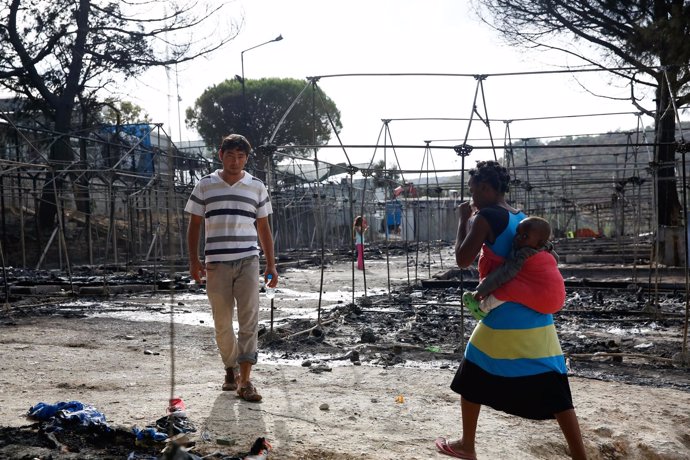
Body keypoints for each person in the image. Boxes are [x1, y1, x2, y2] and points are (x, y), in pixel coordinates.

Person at [435, 161, 586, 460]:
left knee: (474, 364)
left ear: (486, 188)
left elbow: (462, 258)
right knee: (554, 383)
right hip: (536, 314)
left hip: (506, 314)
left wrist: (463, 219)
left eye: (473, 190)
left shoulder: (486, 217)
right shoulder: (520, 216)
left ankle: (467, 445)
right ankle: (580, 455)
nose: (472, 197)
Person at [185, 133, 278, 403]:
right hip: (216, 263)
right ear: (220, 155)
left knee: (249, 319)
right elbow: (194, 225)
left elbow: (263, 227)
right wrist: (194, 261)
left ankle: (246, 381)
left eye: (241, 157)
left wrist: (271, 263)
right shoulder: (205, 185)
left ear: (246, 159)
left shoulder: (257, 186)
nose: (235, 161)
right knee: (222, 323)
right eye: (230, 155)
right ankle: (231, 368)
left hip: (249, 260)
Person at [462, 216, 565, 320]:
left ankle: (481, 309)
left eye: (525, 236)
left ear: (539, 243)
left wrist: (481, 291)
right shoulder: (546, 249)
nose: (518, 237)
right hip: (559, 296)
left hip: (548, 300)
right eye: (517, 232)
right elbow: (556, 259)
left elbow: (504, 273)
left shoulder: (523, 255)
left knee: (508, 287)